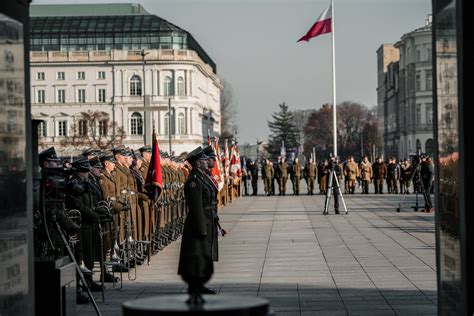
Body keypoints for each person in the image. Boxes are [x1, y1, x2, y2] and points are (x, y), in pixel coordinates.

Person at [178, 146, 221, 299]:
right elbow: (196, 206)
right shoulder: (194, 180)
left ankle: (200, 284)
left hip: (208, 220)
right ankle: (196, 285)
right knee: (198, 255)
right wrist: (201, 227)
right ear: (196, 163)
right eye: (203, 160)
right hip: (199, 222)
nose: (206, 161)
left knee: (203, 254)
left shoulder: (201, 177)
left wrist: (214, 217)